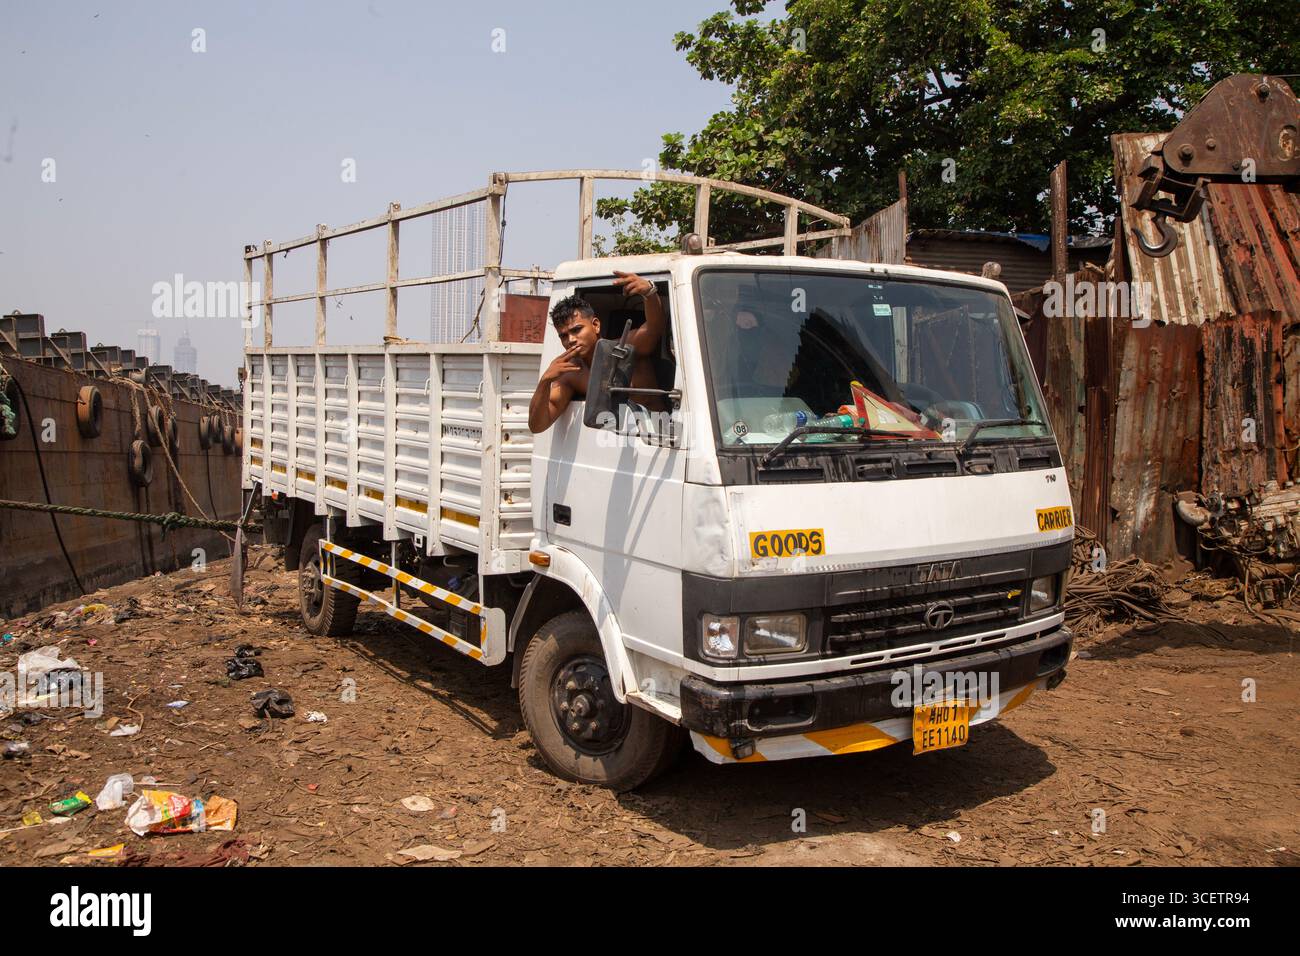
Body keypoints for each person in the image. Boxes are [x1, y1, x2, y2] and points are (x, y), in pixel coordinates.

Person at [527, 271, 666, 433]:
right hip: (612, 446)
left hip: (660, 440)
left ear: (596, 325)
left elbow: (654, 329)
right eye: (564, 336)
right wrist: (545, 381)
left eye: (577, 330)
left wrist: (649, 292)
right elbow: (537, 426)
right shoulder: (571, 374)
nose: (570, 340)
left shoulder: (625, 348)